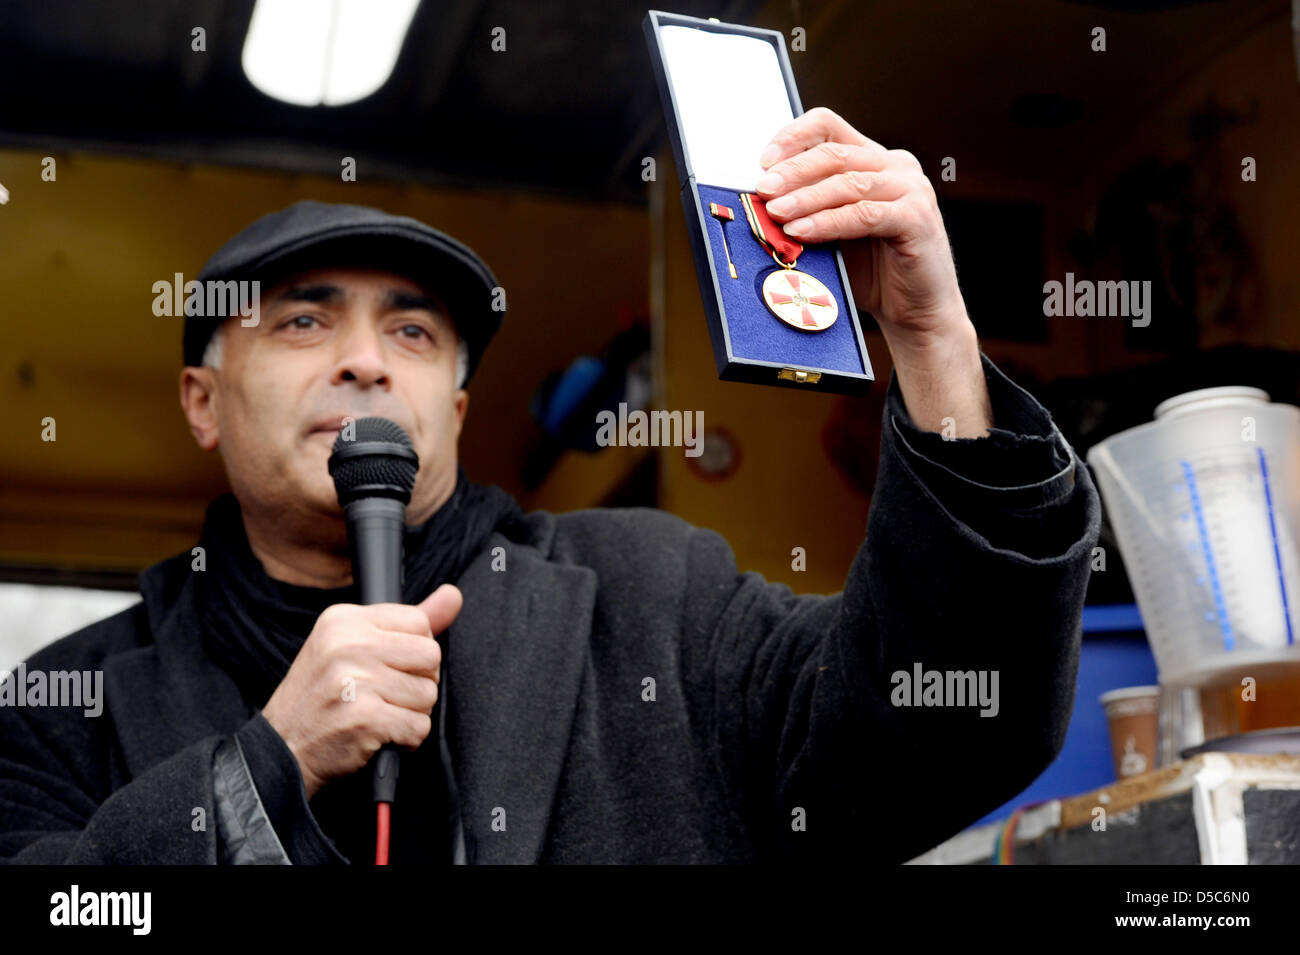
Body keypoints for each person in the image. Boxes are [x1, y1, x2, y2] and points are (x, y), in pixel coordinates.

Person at [0, 108, 1099, 864]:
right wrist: (265, 765)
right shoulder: (60, 709)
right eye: (301, 319)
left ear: (458, 413)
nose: (366, 360)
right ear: (202, 401)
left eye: (415, 332)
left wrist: (929, 339)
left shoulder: (655, 597)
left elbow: (955, 728)